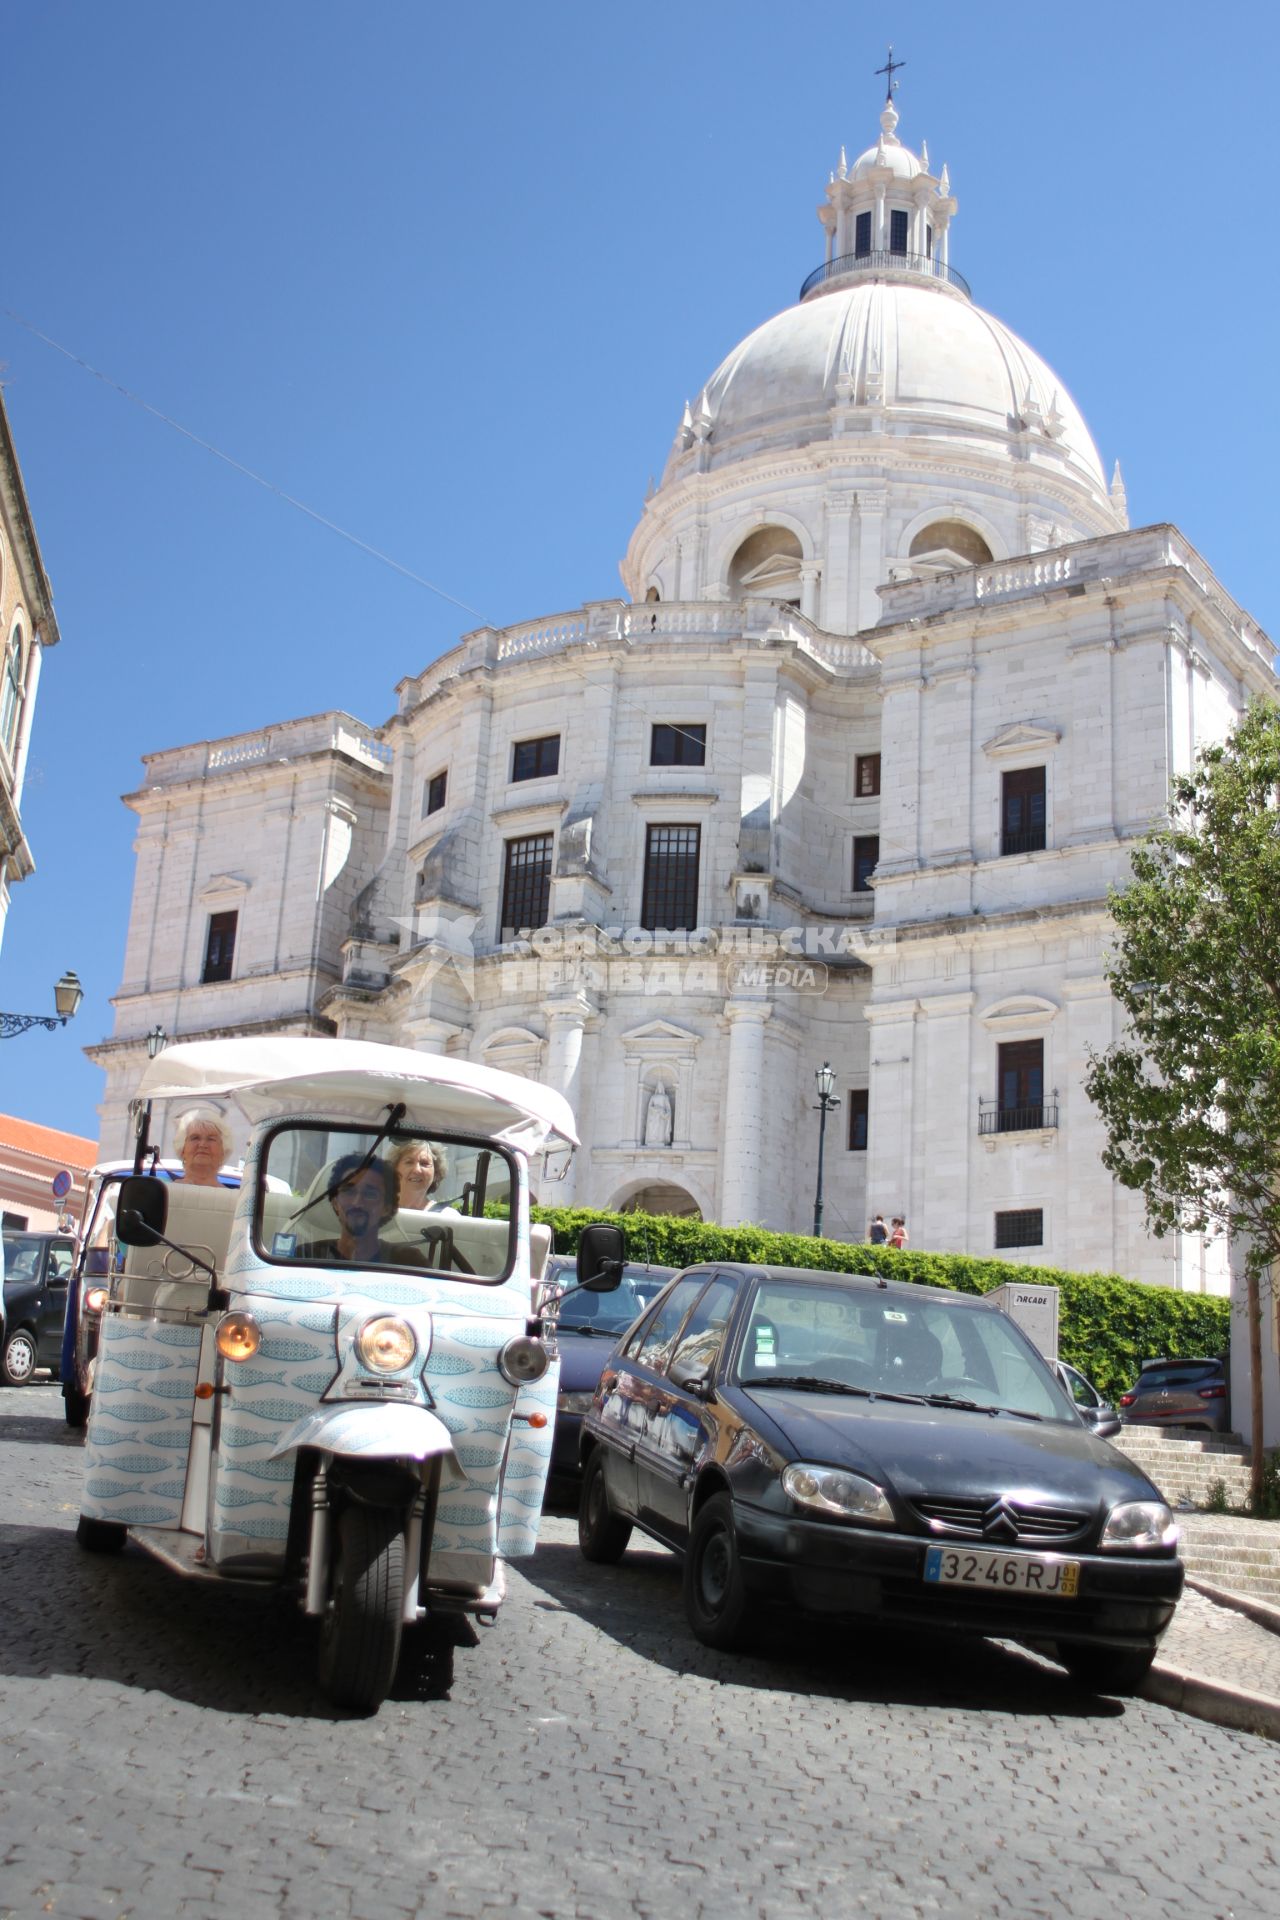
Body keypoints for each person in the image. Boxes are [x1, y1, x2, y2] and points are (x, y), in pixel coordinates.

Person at [312, 1155, 426, 1266]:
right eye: (349, 1192)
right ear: (335, 1202)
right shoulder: (309, 1255)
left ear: (387, 1208)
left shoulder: (409, 1261)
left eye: (370, 1194)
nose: (357, 1203)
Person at [174, 1107, 233, 1186]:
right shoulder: (165, 1193)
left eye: (211, 1139)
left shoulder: (233, 1197)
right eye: (195, 1138)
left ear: (223, 1150)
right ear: (182, 1149)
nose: (202, 1145)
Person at [391, 1139, 439, 1211]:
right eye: (409, 1162)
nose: (417, 1170)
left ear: (436, 1173)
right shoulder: (375, 1212)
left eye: (424, 1163)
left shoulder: (449, 1217)